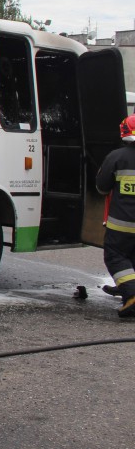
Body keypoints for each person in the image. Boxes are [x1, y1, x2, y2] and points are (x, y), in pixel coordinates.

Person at [95, 114, 135, 318]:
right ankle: (128, 288)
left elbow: (102, 188)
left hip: (122, 225)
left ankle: (132, 294)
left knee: (116, 257)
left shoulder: (116, 157)